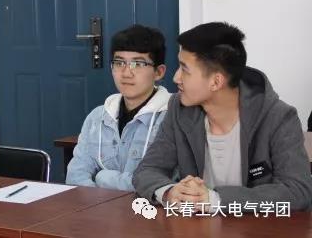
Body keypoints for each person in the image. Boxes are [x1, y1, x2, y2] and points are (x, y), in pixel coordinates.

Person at [133, 22, 312, 211]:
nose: (176, 78)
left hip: (259, 226)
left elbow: (297, 191)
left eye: (184, 69)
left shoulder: (278, 117)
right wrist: (169, 192)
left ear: (216, 82)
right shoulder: (179, 109)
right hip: (197, 225)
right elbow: (147, 170)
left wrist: (215, 200)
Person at [66, 25, 172, 191]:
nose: (126, 73)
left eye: (138, 63)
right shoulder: (97, 117)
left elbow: (165, 185)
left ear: (159, 72)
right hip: (96, 205)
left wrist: (103, 178)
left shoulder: (172, 118)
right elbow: (75, 175)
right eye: (119, 62)